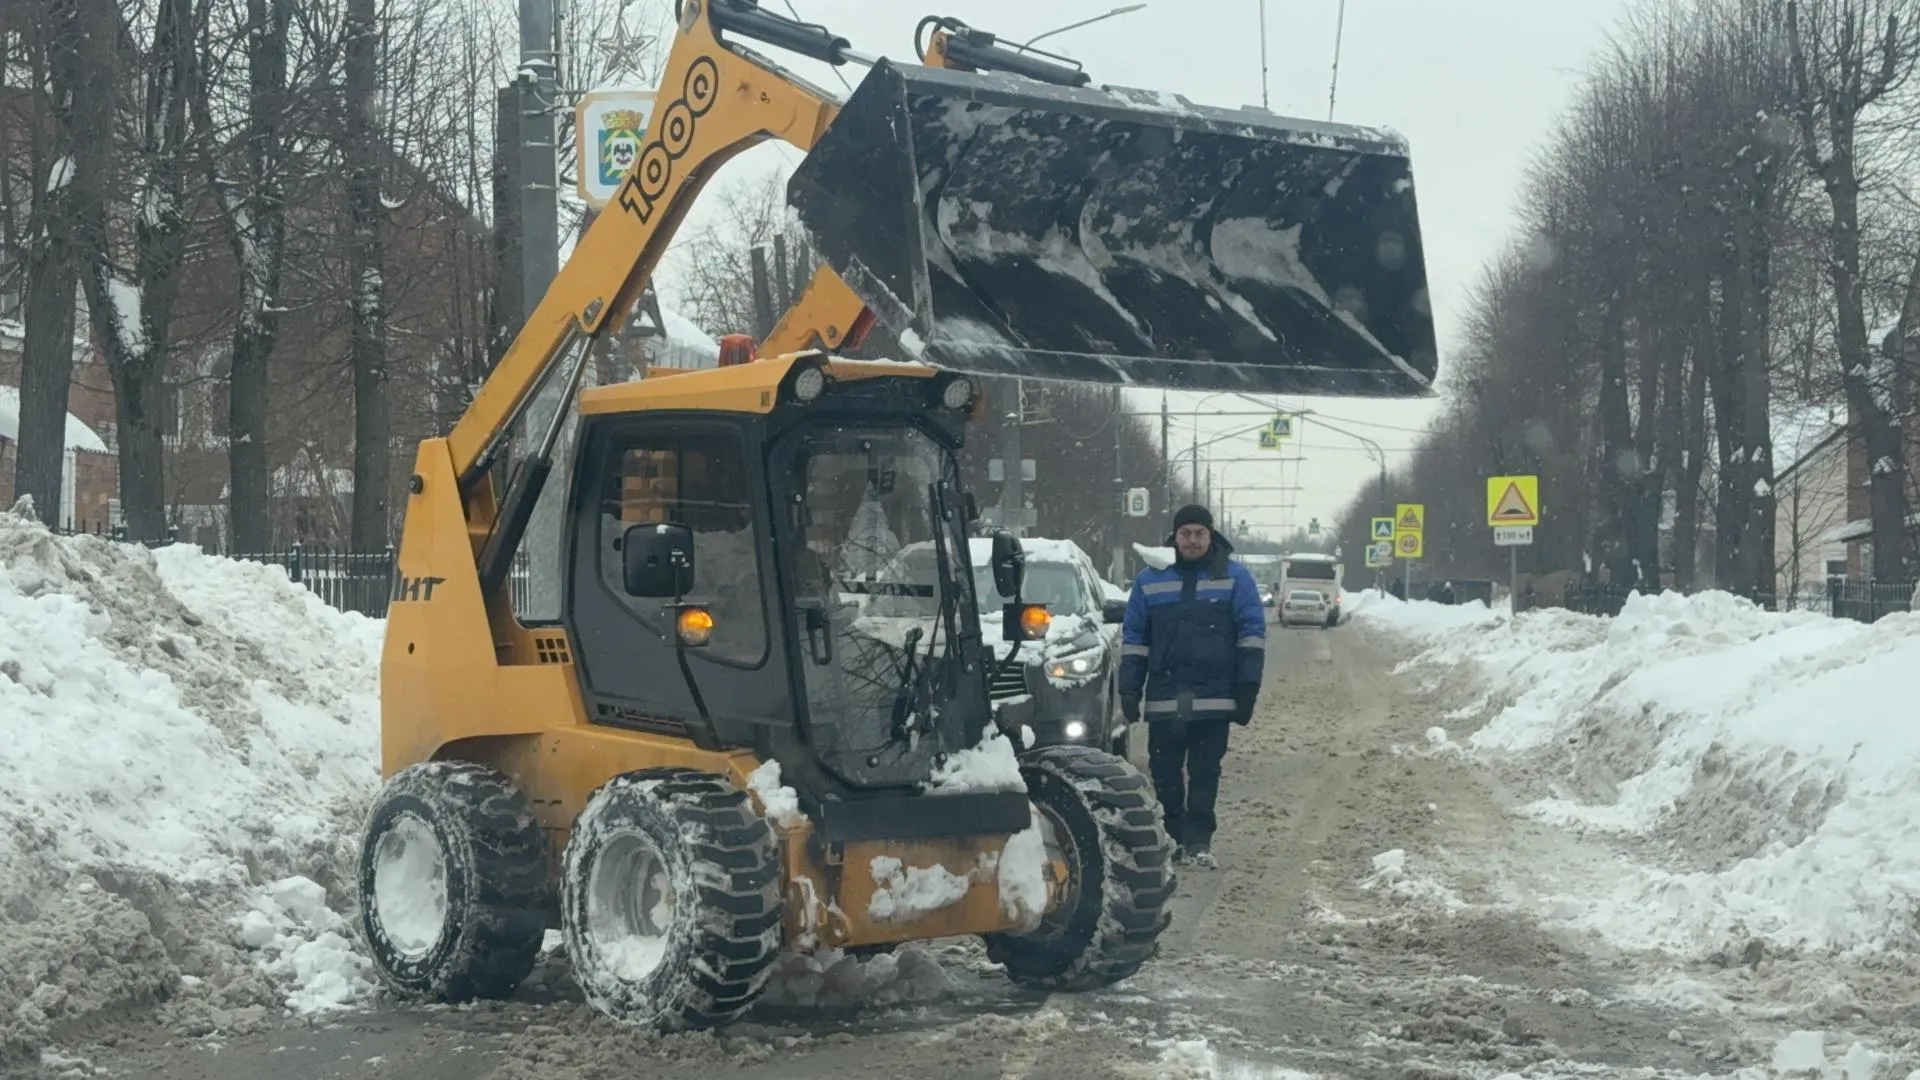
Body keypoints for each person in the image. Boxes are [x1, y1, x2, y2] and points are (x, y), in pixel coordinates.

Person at [1118, 505, 1266, 869]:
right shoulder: (1150, 579)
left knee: (1205, 771)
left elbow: (1252, 634)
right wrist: (1130, 688)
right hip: (1166, 698)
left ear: (1211, 535)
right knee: (1165, 772)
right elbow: (1135, 638)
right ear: (1175, 537)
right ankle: (1173, 833)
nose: (1193, 540)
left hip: (1214, 698)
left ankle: (1199, 840)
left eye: (1200, 533)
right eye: (1186, 533)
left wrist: (1248, 686)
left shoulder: (1235, 577)